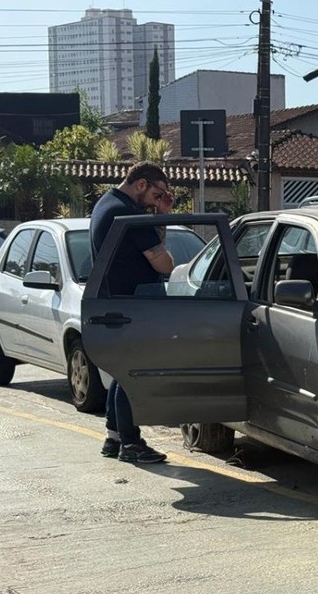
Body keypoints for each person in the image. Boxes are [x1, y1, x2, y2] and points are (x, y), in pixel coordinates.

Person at [90, 162, 175, 464]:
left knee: (121, 373)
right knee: (133, 375)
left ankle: (114, 438)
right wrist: (161, 219)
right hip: (133, 304)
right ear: (141, 184)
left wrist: (160, 215)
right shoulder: (129, 215)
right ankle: (131, 443)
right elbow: (164, 264)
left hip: (115, 302)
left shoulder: (107, 203)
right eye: (157, 193)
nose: (158, 200)